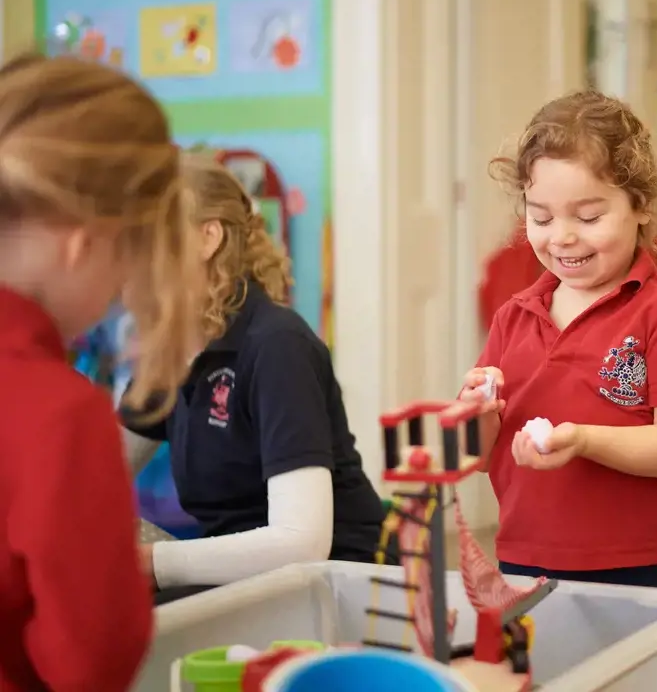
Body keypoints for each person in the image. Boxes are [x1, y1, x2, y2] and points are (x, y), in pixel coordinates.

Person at [459, 90, 657, 692]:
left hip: (628, 575)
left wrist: (582, 439)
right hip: (522, 568)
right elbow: (476, 455)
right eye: (541, 215)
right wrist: (476, 412)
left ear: (638, 206)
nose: (563, 238)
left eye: (588, 216)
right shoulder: (513, 316)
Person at [0, 53, 201, 689]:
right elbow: (91, 662)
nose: (120, 291)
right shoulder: (58, 413)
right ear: (84, 242)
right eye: (129, 261)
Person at [121, 159, 388, 604]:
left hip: (332, 589)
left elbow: (302, 541)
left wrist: (152, 564)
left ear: (208, 237)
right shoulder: (172, 353)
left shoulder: (276, 345)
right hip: (246, 584)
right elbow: (90, 472)